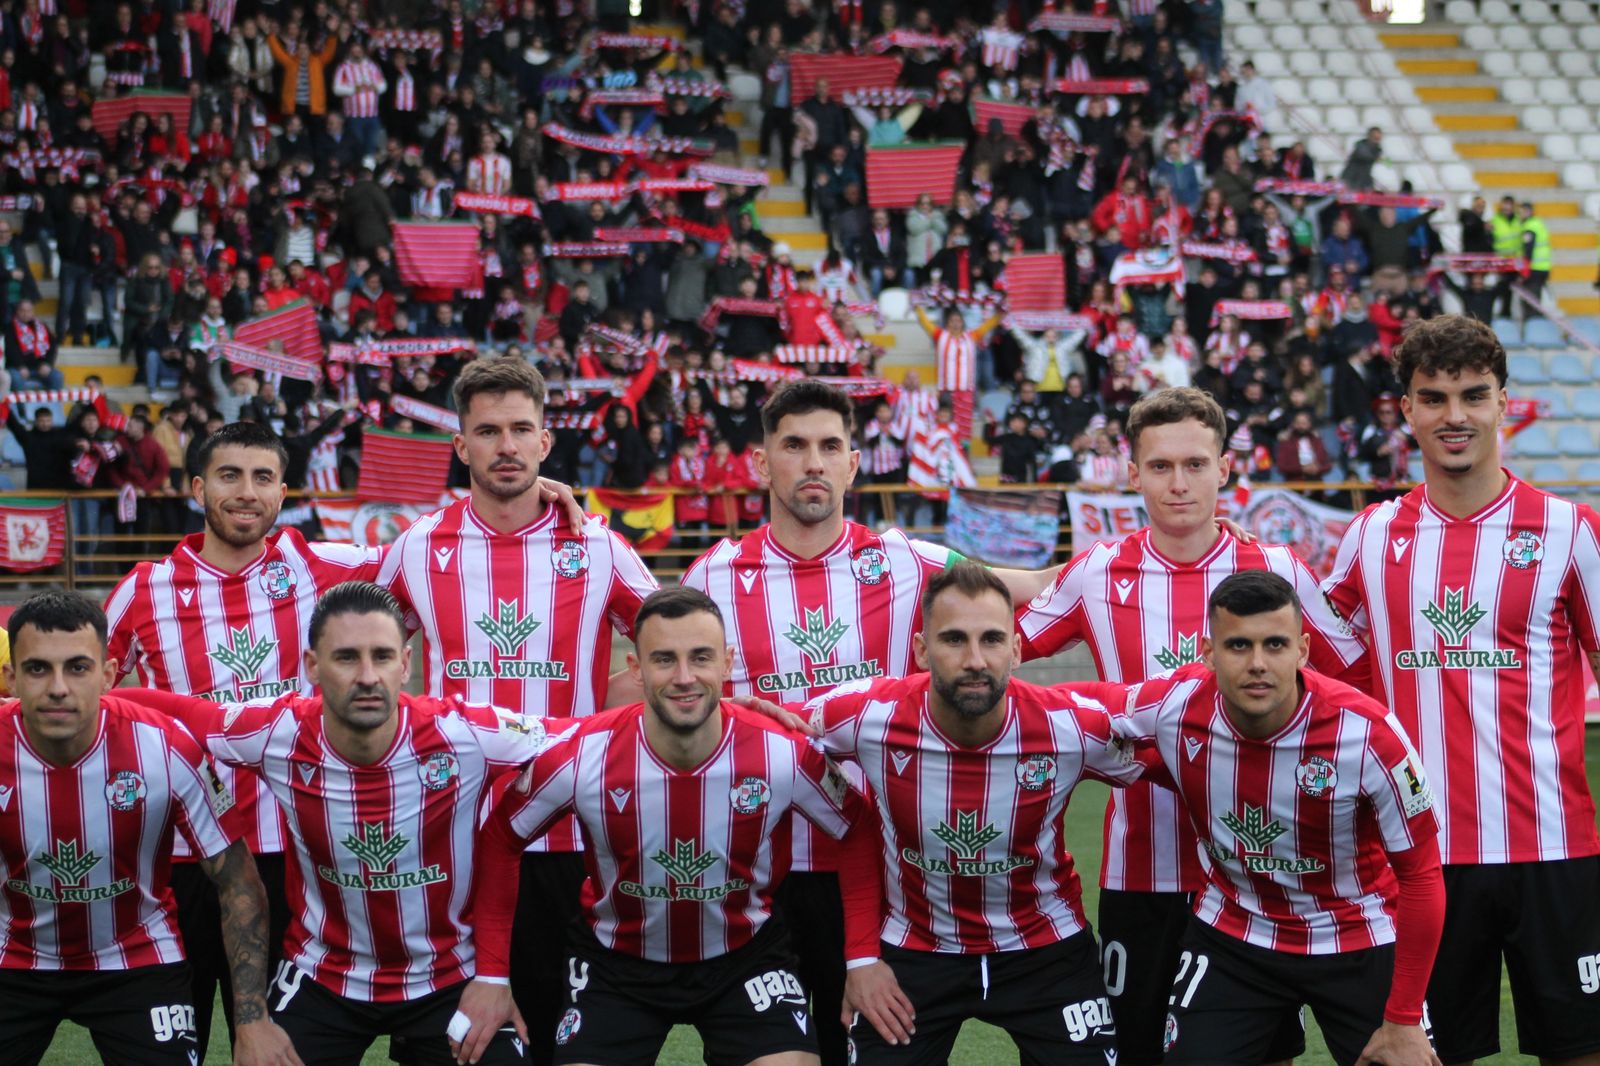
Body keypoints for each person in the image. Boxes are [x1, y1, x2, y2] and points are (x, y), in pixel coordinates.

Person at [680, 380, 1063, 1066]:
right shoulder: (712, 576)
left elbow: (1047, 584)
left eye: (831, 446)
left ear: (855, 463)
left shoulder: (908, 562)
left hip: (874, 872)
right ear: (762, 463)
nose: (814, 462)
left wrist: (1200, 540)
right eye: (794, 445)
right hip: (759, 869)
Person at [1014, 387, 1369, 1066]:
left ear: (1226, 467)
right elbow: (998, 650)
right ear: (1132, 472)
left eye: (1196, 464)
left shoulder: (1278, 571)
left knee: (1260, 1054)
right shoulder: (1095, 573)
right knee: (1137, 1051)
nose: (1179, 484)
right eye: (1161, 466)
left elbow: (1352, 679)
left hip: (1258, 876)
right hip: (1140, 871)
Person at [118, 581, 571, 1065]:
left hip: (448, 978)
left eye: (382, 656)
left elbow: (587, 744)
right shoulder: (278, 734)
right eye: (347, 658)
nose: (368, 676)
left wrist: (495, 977)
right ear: (313, 667)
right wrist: (88, 699)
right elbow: (186, 714)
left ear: (406, 664)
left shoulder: (467, 734)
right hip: (321, 977)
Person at [1322, 313, 1600, 1066]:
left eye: (1473, 395)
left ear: (1503, 403)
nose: (1455, 416)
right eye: (1433, 397)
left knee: (1582, 1049)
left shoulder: (1569, 531)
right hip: (1420, 857)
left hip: (1553, 847)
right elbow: (1316, 666)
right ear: (1404, 409)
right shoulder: (1371, 537)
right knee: (1421, 1056)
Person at [375, 357, 659, 1066]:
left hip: (572, 840)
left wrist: (606, 716)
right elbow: (357, 651)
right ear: (461, 446)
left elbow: (677, 649)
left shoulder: (597, 546)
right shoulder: (416, 548)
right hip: (455, 841)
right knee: (460, 1049)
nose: (506, 445)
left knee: (567, 1041)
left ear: (544, 443)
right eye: (488, 430)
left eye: (521, 429)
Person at [462, 586, 873, 1066]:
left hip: (746, 958)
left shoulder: (780, 753)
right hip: (616, 962)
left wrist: (863, 958)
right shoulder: (581, 757)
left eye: (700, 658)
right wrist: (491, 974)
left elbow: (858, 830)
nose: (683, 677)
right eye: (663, 660)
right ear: (636, 669)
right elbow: (500, 840)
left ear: (727, 664)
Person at [103, 421, 386, 1061]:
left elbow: (439, 552)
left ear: (283, 493)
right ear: (198, 486)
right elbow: (83, 695)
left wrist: (542, 493)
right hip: (177, 861)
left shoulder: (318, 567)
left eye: (263, 477)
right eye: (230, 475)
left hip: (294, 853)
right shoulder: (143, 589)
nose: (246, 492)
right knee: (172, 1048)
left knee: (278, 1049)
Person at [803, 562, 1156, 1064]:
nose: (974, 660)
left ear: (1015, 648)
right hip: (914, 951)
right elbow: (764, 740)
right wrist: (860, 957)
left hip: (1047, 950)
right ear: (923, 652)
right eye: (953, 640)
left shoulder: (1070, 727)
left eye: (992, 639)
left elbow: (1186, 765)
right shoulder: (864, 718)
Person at [1117, 572, 1444, 1066]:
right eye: (1238, 645)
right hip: (1234, 933)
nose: (1257, 664)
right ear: (1208, 652)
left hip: (1357, 936)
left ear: (1303, 649)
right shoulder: (1175, 706)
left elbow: (1421, 877)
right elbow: (1075, 711)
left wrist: (1401, 1019)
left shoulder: (1369, 735)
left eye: (1275, 644)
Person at [0, 591, 295, 1065]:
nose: (58, 687)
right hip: (12, 957)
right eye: (38, 669)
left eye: (77, 667)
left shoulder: (167, 748)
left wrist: (251, 1020)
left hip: (136, 958)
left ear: (109, 674)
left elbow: (239, 883)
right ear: (12, 678)